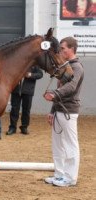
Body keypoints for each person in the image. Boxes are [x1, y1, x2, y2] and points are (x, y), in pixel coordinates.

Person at [44, 37, 84, 187]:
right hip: (60, 110)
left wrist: (54, 94)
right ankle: (59, 174)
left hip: (69, 110)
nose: (61, 51)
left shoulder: (77, 67)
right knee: (58, 145)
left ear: (71, 49)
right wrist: (52, 111)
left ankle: (70, 178)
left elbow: (71, 87)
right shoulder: (65, 66)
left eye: (63, 48)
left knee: (70, 145)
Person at [6, 66, 43, 135]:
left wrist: (31, 75)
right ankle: (12, 127)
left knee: (26, 110)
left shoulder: (34, 63)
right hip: (16, 90)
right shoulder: (17, 62)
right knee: (14, 109)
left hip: (28, 90)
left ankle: (24, 127)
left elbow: (40, 74)